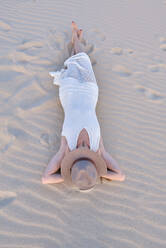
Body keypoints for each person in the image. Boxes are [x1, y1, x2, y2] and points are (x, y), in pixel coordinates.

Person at [42, 21, 125, 190]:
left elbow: (46, 179)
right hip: (89, 90)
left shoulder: (65, 148)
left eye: (79, 153)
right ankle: (76, 39)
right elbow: (120, 176)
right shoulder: (99, 148)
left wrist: (67, 171)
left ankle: (75, 38)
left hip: (70, 91)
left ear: (71, 159)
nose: (83, 148)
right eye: (86, 153)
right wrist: (97, 170)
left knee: (74, 61)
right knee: (82, 59)